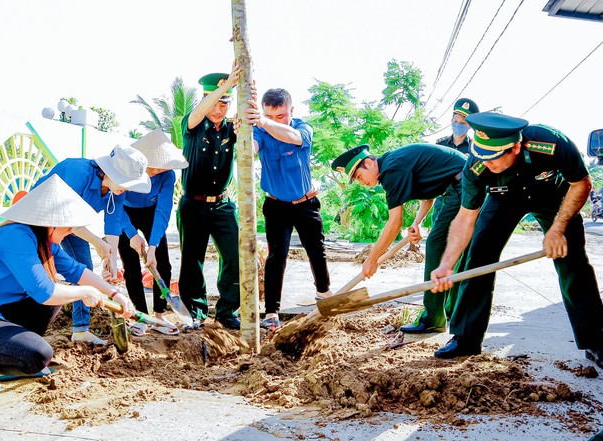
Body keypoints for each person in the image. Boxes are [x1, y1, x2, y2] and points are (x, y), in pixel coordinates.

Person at [430, 112, 603, 368]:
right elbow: (465, 218)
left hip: (553, 196)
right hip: (503, 198)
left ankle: (596, 340)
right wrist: (446, 264)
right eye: (482, 156)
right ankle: (466, 338)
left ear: (516, 147)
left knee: (572, 261)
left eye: (494, 158)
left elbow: (581, 184)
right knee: (477, 257)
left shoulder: (551, 143)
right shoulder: (476, 166)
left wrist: (556, 229)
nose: (486, 163)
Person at [0, 176, 134, 395]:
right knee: (37, 355)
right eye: (68, 226)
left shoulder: (44, 240)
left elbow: (76, 270)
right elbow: (44, 292)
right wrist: (84, 292)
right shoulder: (16, 237)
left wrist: (114, 293)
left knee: (56, 299)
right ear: (49, 221)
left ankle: (8, 360)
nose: (72, 231)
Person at [332, 143, 467, 333]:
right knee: (445, 245)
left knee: (437, 244)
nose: (361, 182)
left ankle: (433, 318)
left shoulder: (391, 170)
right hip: (456, 184)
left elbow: (395, 223)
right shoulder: (393, 162)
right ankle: (449, 310)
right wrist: (418, 222)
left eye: (359, 176)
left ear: (369, 164)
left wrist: (372, 259)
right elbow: (427, 193)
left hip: (463, 183)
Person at [33, 145, 150, 343]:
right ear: (109, 171)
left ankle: (80, 330)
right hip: (39, 218)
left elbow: (113, 224)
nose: (126, 188)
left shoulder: (116, 191)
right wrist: (97, 243)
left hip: (71, 225)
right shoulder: (79, 173)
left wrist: (110, 258)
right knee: (39, 272)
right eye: (125, 181)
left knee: (84, 268)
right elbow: (67, 216)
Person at [243, 87, 331, 331]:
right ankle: (271, 312)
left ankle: (324, 295)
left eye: (280, 116)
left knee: (316, 249)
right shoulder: (259, 131)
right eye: (268, 116)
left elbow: (294, 138)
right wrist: (244, 135)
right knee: (276, 256)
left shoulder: (303, 128)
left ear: (291, 110)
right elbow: (250, 149)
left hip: (305, 203)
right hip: (276, 205)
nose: (274, 122)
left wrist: (263, 121)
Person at [178, 62, 241, 330]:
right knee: (192, 259)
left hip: (223, 204)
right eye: (214, 103)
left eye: (224, 104)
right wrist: (226, 85)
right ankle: (196, 312)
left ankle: (227, 310)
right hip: (193, 204)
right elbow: (197, 114)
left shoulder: (232, 130)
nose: (218, 110)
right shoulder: (192, 125)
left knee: (234, 256)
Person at [112, 129, 187, 332]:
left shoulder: (167, 176)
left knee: (162, 263)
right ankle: (141, 316)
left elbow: (163, 210)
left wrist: (153, 245)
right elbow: (116, 205)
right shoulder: (129, 167)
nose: (157, 172)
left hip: (151, 213)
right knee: (131, 265)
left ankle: (159, 315)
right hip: (124, 212)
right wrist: (131, 235)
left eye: (162, 168)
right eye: (154, 168)